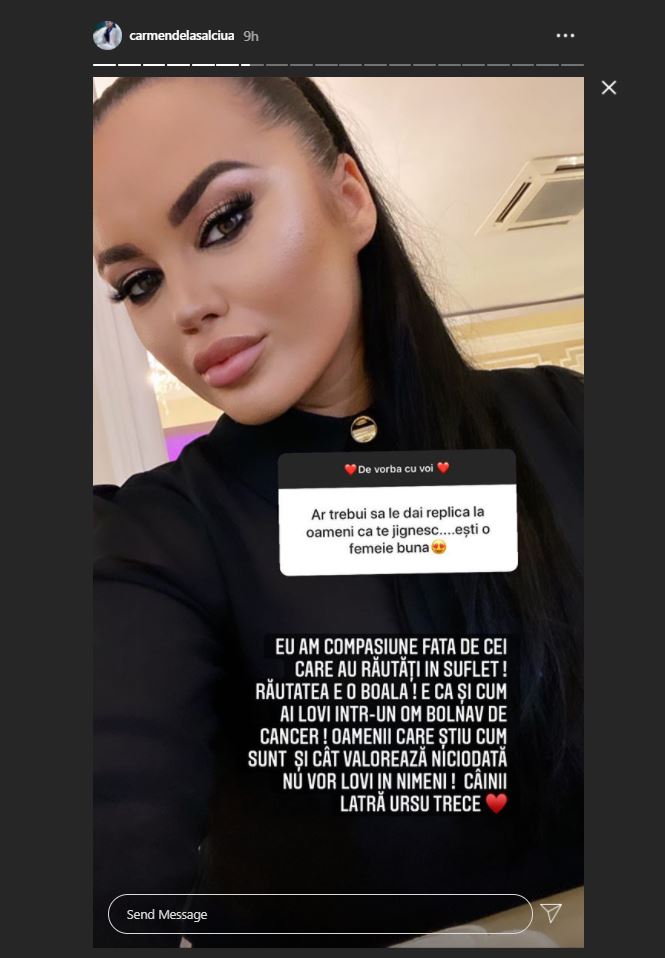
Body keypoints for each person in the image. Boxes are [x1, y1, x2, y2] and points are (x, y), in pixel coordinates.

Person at [93, 76, 583, 947]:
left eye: (223, 221)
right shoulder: (160, 537)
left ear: (348, 198)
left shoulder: (572, 421)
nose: (186, 307)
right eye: (138, 283)